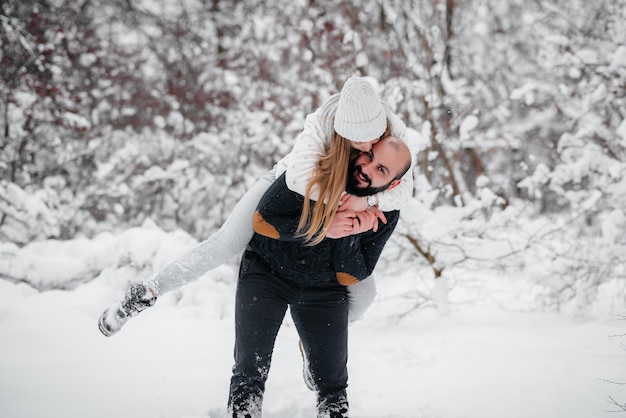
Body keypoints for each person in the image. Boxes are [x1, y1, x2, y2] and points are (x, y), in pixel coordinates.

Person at [98, 76, 413, 337]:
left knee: (365, 296)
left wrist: (367, 198)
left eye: (373, 140)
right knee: (225, 242)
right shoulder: (320, 125)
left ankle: (323, 343)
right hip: (284, 186)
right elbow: (299, 178)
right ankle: (148, 291)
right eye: (358, 143)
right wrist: (336, 210)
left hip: (347, 201)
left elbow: (403, 189)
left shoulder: (392, 130)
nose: (367, 149)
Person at [229, 135, 412, 418]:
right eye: (371, 157)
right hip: (266, 271)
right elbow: (263, 220)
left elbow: (352, 274)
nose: (368, 168)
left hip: (323, 290)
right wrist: (322, 227)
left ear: (394, 184)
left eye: (382, 170)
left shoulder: (385, 213)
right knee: (249, 375)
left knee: (333, 390)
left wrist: (351, 233)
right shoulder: (318, 165)